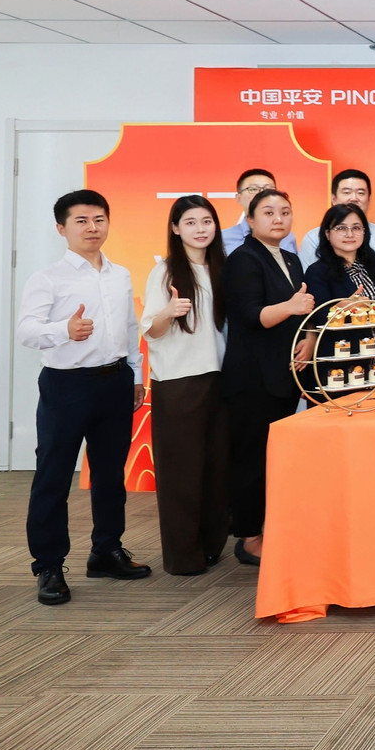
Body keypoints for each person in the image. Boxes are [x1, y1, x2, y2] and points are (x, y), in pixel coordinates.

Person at [16, 190, 150, 604]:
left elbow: (129, 327)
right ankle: (48, 566)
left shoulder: (120, 274)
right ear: (62, 228)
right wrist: (64, 330)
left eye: (99, 219)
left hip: (115, 381)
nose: (92, 228)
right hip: (66, 386)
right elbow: (26, 331)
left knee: (110, 474)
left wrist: (135, 375)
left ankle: (106, 551)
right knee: (53, 475)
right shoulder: (48, 278)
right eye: (81, 221)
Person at [221, 188, 312, 567]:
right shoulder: (243, 259)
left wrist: (308, 339)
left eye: (285, 212)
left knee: (275, 460)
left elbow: (304, 311)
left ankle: (271, 529)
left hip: (283, 376)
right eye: (269, 212)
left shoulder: (290, 258)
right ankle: (248, 538)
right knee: (251, 460)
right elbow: (251, 315)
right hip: (251, 378)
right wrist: (290, 307)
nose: (278, 219)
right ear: (250, 220)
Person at [140, 195, 229, 576]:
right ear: (176, 228)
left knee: (215, 469)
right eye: (190, 222)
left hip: (219, 378)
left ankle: (210, 545)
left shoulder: (221, 268)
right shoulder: (164, 272)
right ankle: (182, 557)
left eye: (206, 221)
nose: (200, 229)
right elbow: (152, 331)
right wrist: (168, 312)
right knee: (181, 474)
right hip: (179, 382)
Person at [300, 203, 375, 395]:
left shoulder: (373, 267)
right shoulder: (317, 272)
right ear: (327, 234)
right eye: (341, 228)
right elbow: (317, 318)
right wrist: (341, 306)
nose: (350, 234)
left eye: (356, 228)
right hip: (337, 367)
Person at [297, 169, 375, 268]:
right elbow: (308, 275)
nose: (353, 198)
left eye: (360, 193)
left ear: (369, 200)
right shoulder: (313, 238)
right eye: (346, 192)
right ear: (334, 199)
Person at [221, 168, 295, 256]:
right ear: (238, 198)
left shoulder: (287, 237)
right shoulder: (223, 238)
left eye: (268, 189)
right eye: (253, 189)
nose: (261, 194)